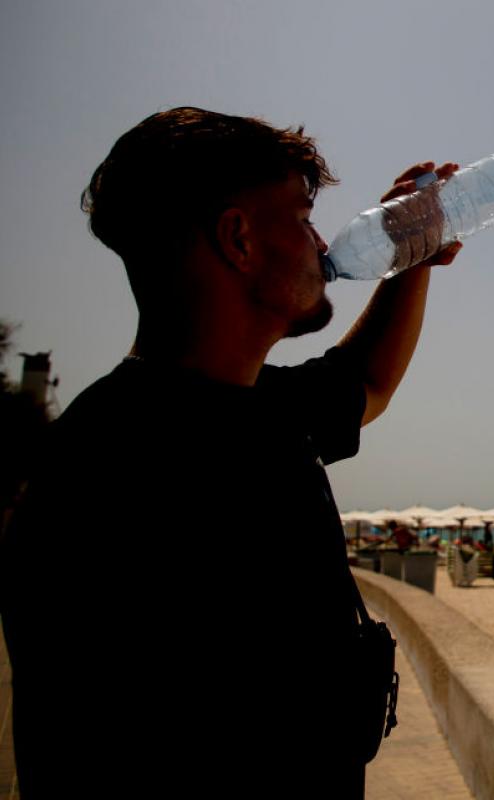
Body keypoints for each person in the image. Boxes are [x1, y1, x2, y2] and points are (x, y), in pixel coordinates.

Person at [0, 107, 463, 797]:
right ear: (238, 238)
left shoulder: (253, 408)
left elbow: (365, 381)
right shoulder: (112, 475)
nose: (321, 242)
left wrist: (411, 257)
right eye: (302, 216)